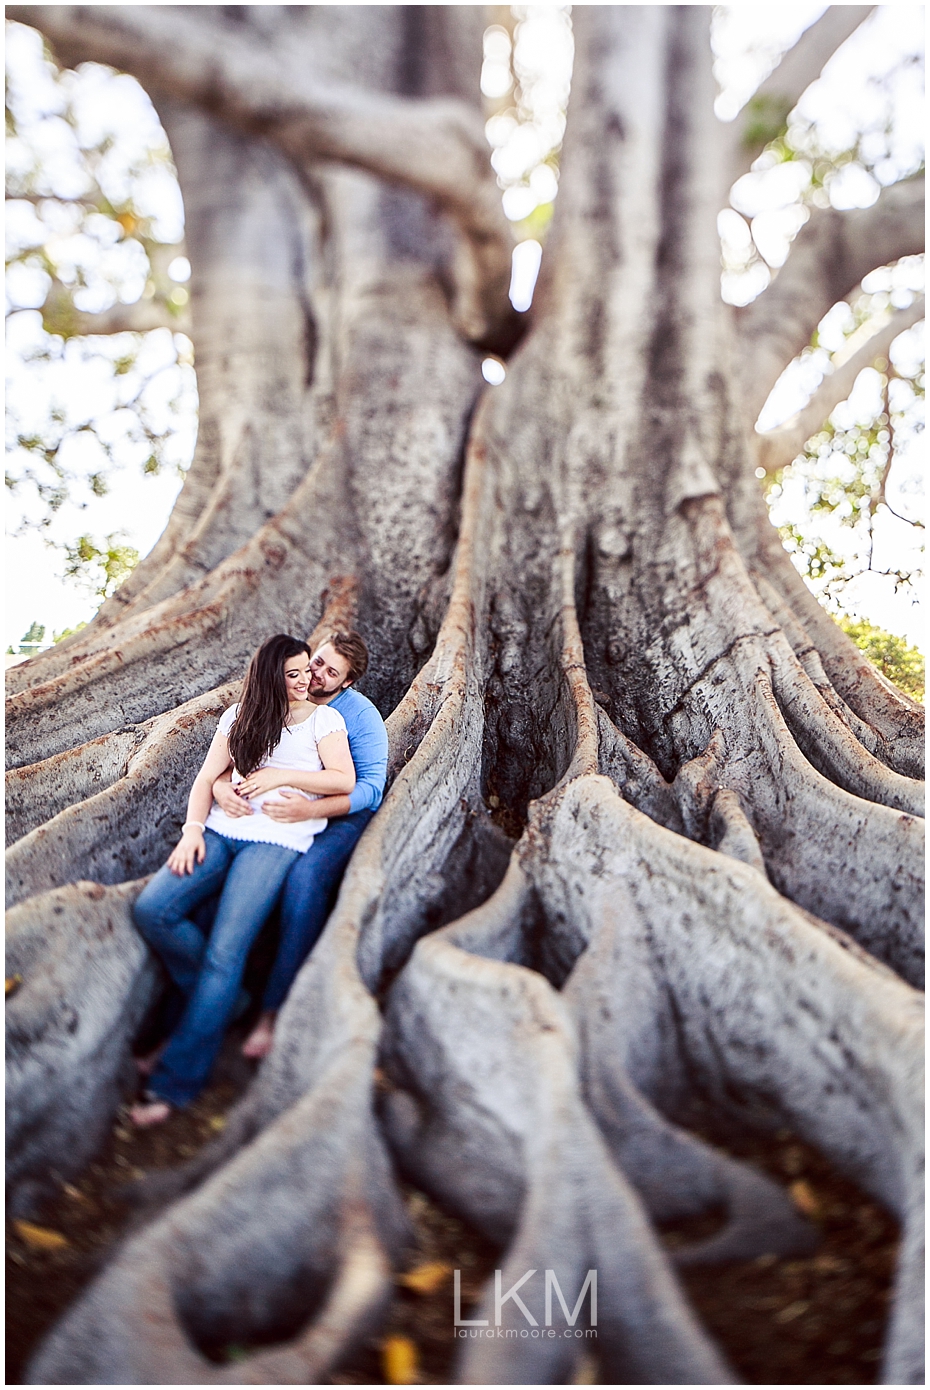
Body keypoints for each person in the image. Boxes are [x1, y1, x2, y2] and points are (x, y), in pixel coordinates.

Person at [129, 633, 356, 1126]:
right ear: (271, 675)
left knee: (223, 955)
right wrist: (193, 830)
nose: (305, 681)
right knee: (153, 909)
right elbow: (206, 777)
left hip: (275, 840)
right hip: (222, 830)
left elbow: (344, 781)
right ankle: (230, 1000)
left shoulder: (325, 719)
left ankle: (173, 1084)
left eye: (308, 671)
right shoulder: (240, 716)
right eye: (293, 673)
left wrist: (277, 778)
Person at [211, 630, 387, 1058]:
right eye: (317, 662)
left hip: (339, 812)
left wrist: (313, 811)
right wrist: (220, 790)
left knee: (304, 881)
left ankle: (272, 1012)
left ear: (346, 682)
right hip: (276, 810)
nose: (318, 673)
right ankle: (221, 993)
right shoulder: (282, 696)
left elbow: (370, 790)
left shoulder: (357, 715)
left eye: (331, 672)